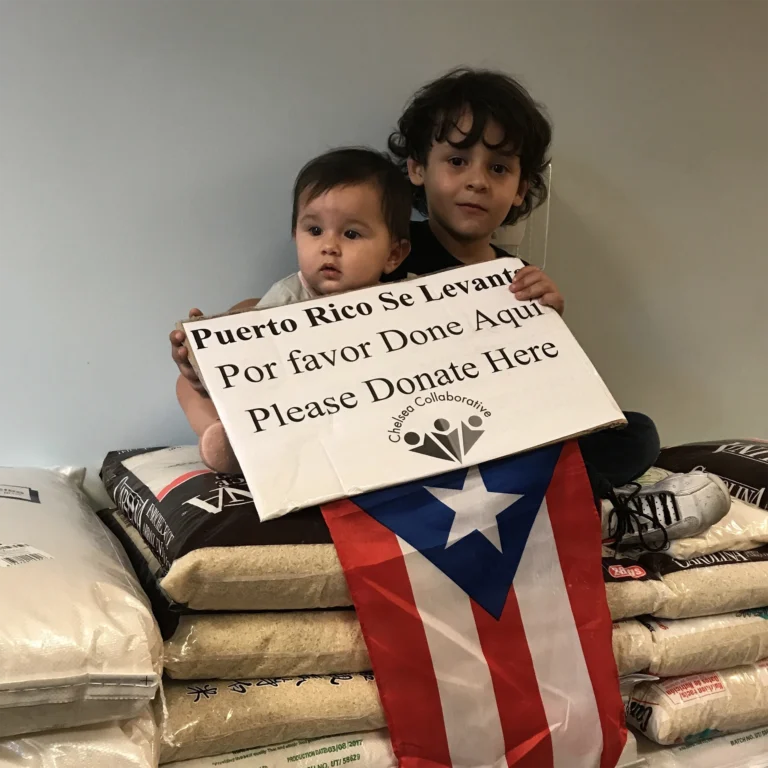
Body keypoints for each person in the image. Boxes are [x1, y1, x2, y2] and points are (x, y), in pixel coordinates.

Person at [171, 68, 730, 548]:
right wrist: (223, 333)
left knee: (632, 432)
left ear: (521, 188)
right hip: (402, 439)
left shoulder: (512, 279)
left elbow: (541, 390)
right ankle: (584, 518)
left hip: (486, 436)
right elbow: (297, 297)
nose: (476, 182)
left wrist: (548, 322)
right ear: (417, 168)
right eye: (457, 160)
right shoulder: (382, 248)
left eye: (499, 169)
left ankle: (592, 516)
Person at [175, 147, 412, 474]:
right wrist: (211, 357)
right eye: (314, 231)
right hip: (287, 416)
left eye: (351, 233)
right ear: (295, 235)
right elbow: (252, 372)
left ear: (393, 255)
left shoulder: (409, 298)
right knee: (186, 386)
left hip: (361, 416)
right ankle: (224, 440)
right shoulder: (287, 298)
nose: (329, 246)